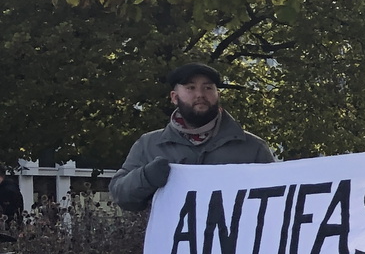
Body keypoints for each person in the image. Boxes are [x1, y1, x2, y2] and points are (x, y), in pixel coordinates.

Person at [109, 63, 274, 210]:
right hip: (173, 244)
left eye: (208, 88)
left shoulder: (252, 147)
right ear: (174, 97)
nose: (200, 94)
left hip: (235, 244)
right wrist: (145, 177)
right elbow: (120, 196)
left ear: (218, 94)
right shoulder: (149, 144)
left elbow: (275, 202)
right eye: (191, 88)